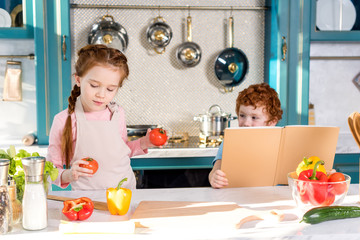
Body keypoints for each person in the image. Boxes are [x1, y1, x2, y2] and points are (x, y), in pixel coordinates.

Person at [47, 44, 157, 190]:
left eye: (110, 89)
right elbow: (50, 171)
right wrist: (68, 174)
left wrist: (144, 143)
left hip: (124, 193)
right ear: (78, 80)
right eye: (94, 85)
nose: (101, 94)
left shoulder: (117, 113)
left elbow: (121, 151)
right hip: (87, 199)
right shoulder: (64, 120)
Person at [208, 83, 283, 188]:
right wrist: (214, 177)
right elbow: (216, 169)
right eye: (242, 115)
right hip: (239, 197)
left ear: (272, 122)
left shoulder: (281, 143)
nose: (246, 123)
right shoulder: (230, 140)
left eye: (254, 117)